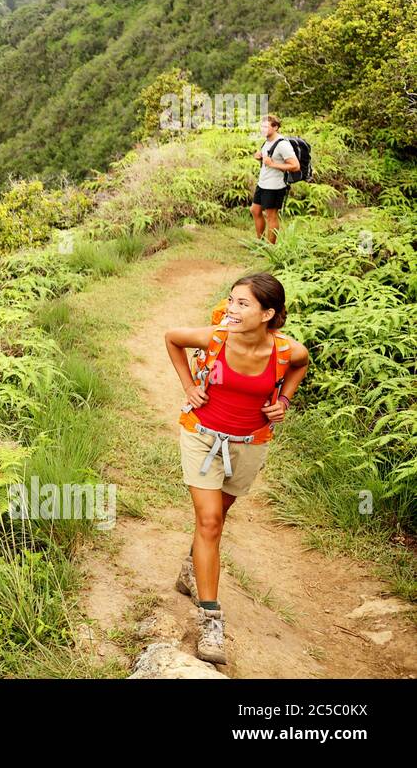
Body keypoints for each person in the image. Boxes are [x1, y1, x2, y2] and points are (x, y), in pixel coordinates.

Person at [163, 273, 309, 665]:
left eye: (243, 304)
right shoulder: (215, 338)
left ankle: (192, 567)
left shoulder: (284, 351)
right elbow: (172, 338)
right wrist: (189, 386)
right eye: (231, 300)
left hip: (249, 444)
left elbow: (302, 362)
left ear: (268, 314)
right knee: (210, 521)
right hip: (201, 436)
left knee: (218, 517)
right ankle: (210, 620)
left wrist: (285, 401)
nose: (231, 309)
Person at [250, 114, 299, 244]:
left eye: (266, 127)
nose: (262, 129)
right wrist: (260, 157)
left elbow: (295, 166)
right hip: (263, 183)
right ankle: (260, 243)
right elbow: (269, 159)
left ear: (275, 127)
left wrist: (272, 164)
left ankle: (269, 248)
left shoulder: (283, 144)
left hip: (275, 186)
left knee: (271, 216)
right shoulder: (267, 141)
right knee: (255, 210)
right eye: (262, 126)